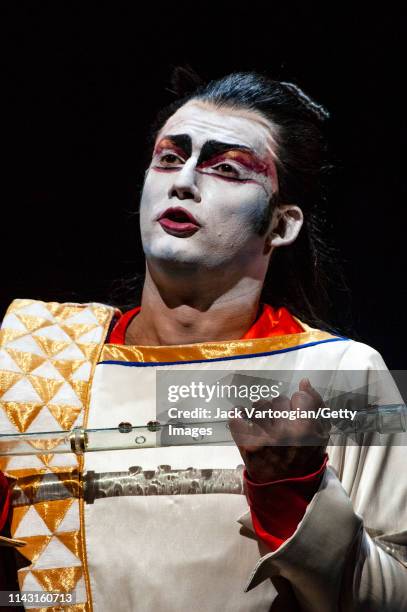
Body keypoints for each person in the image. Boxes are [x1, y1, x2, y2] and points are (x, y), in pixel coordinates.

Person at [0, 70, 406, 611]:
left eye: (226, 168)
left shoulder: (342, 374)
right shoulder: (36, 358)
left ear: (281, 226)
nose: (184, 181)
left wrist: (296, 492)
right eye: (169, 158)